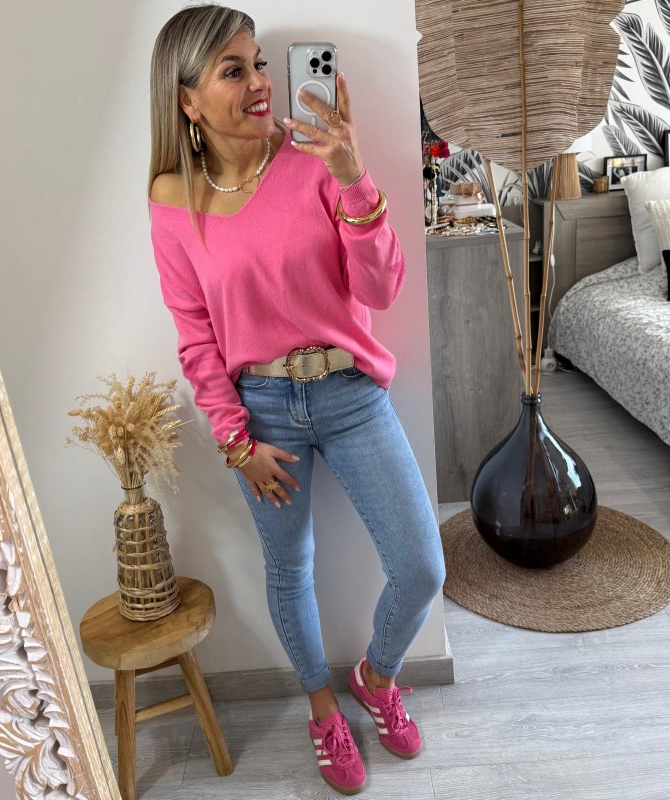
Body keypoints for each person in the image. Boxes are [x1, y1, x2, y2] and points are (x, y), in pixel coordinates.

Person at [147, 5, 445, 794]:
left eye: (258, 64)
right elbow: (195, 336)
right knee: (290, 570)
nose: (259, 82)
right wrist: (235, 442)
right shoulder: (172, 199)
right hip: (263, 412)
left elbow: (380, 288)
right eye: (233, 70)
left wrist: (351, 174)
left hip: (350, 393)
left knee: (421, 566)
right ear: (186, 99)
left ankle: (376, 679)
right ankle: (321, 710)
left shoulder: (314, 158)